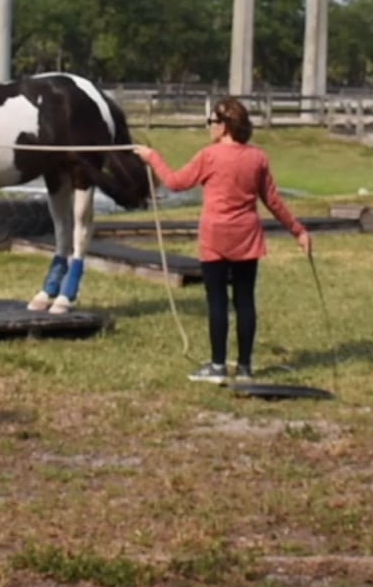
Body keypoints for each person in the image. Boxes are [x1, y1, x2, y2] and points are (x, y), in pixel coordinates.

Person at [132, 98, 312, 384]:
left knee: (217, 302)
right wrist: (298, 231)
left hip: (215, 239)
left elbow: (176, 182)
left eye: (212, 122)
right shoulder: (258, 158)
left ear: (225, 125)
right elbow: (274, 202)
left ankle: (217, 366)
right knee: (244, 301)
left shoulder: (210, 156)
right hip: (247, 239)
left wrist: (151, 157)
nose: (209, 127)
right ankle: (244, 368)